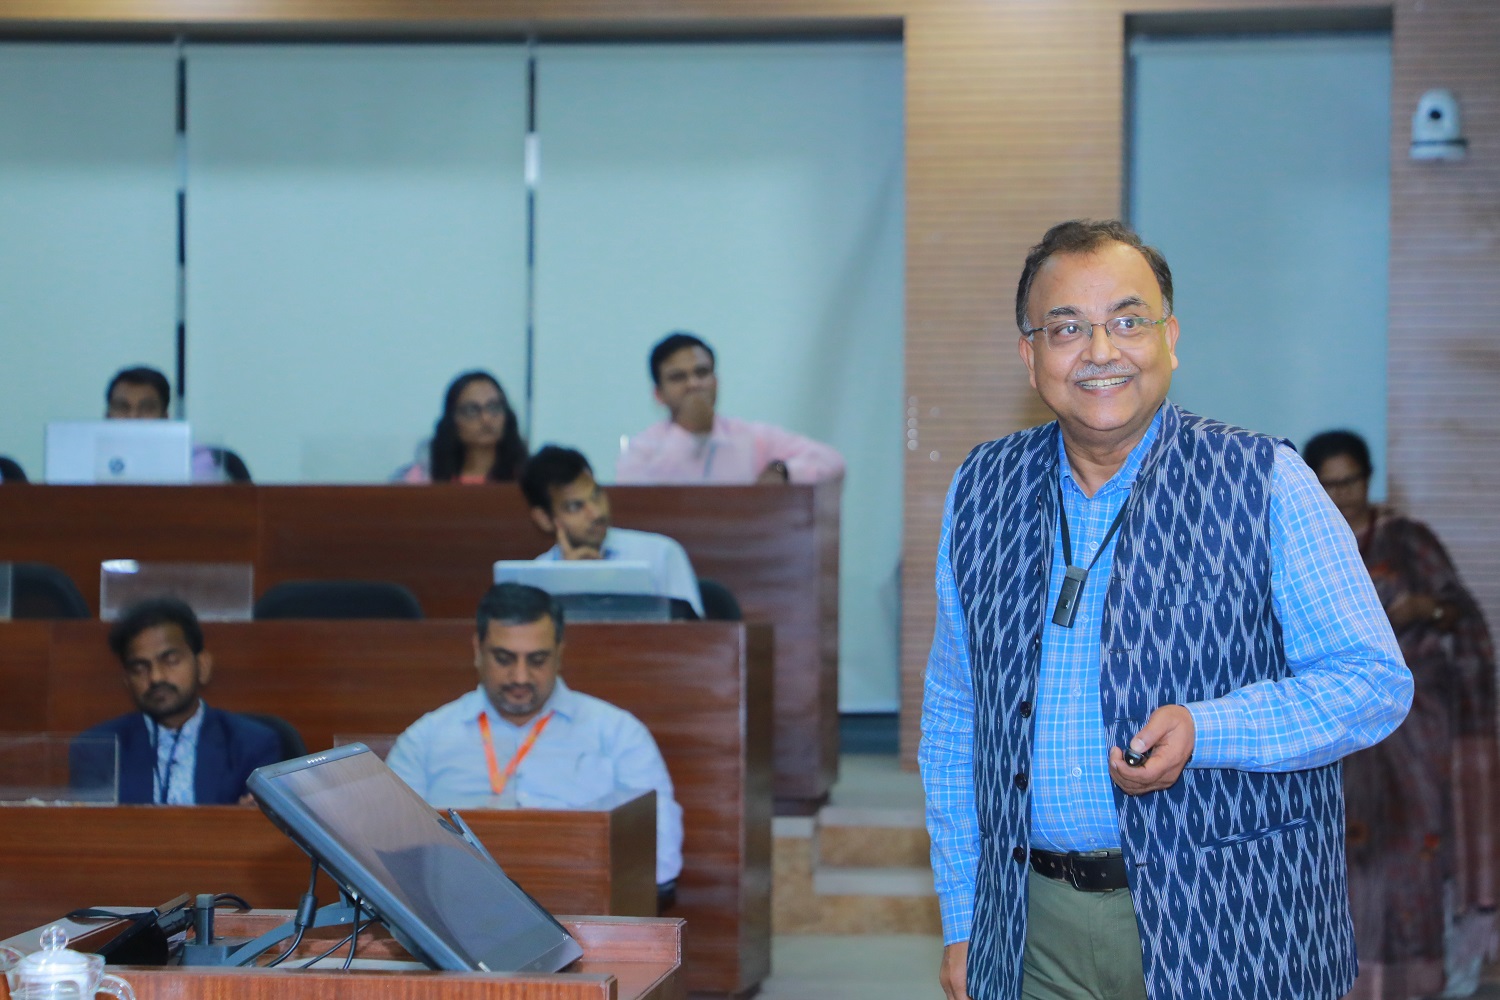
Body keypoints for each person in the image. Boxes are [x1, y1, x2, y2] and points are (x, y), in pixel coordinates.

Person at [918, 219, 1412, 1000]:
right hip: (1030, 925)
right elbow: (954, 714)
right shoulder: (982, 491)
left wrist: (1208, 726)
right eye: (1067, 328)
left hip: (1234, 922)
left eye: (1127, 321)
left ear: (1170, 338)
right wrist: (963, 916)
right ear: (1030, 354)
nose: (1101, 351)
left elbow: (1373, 682)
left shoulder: (1265, 480)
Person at [1304, 429, 1499, 999]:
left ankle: (1417, 985)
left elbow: (1462, 617)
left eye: (1351, 481)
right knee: (1341, 866)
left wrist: (1426, 608)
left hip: (1416, 734)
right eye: (1328, 483)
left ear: (1370, 478)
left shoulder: (1408, 541)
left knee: (1411, 859)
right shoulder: (1306, 543)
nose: (1341, 494)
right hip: (1335, 737)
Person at [386, 582, 683, 886]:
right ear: (477, 651)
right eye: (504, 658)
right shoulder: (424, 742)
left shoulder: (619, 735)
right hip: (454, 910)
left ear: (560, 654)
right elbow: (387, 854)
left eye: (537, 660)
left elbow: (662, 859)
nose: (520, 677)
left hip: (585, 912)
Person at [77, 596, 281, 804]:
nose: (156, 677)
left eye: (171, 661)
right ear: (127, 681)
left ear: (202, 666)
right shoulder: (99, 749)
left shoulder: (251, 745)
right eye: (140, 668)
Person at [616, 331, 845, 485]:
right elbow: (636, 502)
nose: (693, 384)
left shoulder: (754, 438)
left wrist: (782, 471)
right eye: (678, 377)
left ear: (716, 382)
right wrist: (685, 434)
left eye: (702, 373)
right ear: (659, 394)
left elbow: (833, 461)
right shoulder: (642, 449)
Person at [520, 445, 704, 617]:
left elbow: (693, 636)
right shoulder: (536, 581)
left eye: (597, 495)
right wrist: (569, 581)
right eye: (575, 506)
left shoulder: (660, 555)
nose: (596, 513)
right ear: (544, 519)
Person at [104, 366, 246, 483]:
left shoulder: (195, 460)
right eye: (122, 407)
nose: (133, 417)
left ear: (165, 418)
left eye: (146, 408)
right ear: (107, 416)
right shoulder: (85, 460)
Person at [395, 370, 528, 484]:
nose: (486, 419)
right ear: (452, 420)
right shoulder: (421, 477)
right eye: (472, 410)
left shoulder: (528, 477)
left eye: (494, 407)